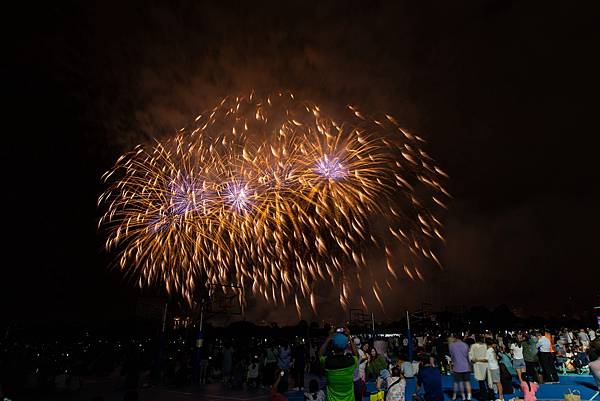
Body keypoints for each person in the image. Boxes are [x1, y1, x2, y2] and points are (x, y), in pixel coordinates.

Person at [319, 328, 359, 401]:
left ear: (333, 347)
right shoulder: (351, 361)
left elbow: (319, 355)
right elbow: (357, 355)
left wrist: (329, 337)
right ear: (346, 347)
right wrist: (349, 337)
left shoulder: (328, 362)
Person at [448, 335, 472, 400]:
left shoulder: (451, 346)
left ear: (455, 338)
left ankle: (463, 396)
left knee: (460, 382)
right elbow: (468, 356)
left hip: (457, 367)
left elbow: (452, 356)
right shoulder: (466, 345)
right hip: (466, 366)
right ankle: (469, 396)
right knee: (467, 382)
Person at [469, 335, 490, 400]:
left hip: (479, 366)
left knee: (482, 382)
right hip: (486, 366)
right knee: (487, 381)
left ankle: (484, 396)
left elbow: (471, 358)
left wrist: (474, 360)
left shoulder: (473, 346)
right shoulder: (486, 346)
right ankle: (490, 395)